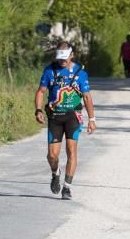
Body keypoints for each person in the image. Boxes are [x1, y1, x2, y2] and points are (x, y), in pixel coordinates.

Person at [35, 41, 96, 199]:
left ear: (72, 55)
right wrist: (38, 110)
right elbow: (41, 92)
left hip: (72, 117)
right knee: (52, 156)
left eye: (65, 58)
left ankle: (67, 187)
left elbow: (87, 97)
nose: (62, 61)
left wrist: (92, 119)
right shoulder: (50, 71)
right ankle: (55, 173)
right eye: (60, 58)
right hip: (55, 117)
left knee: (71, 151)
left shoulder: (80, 73)